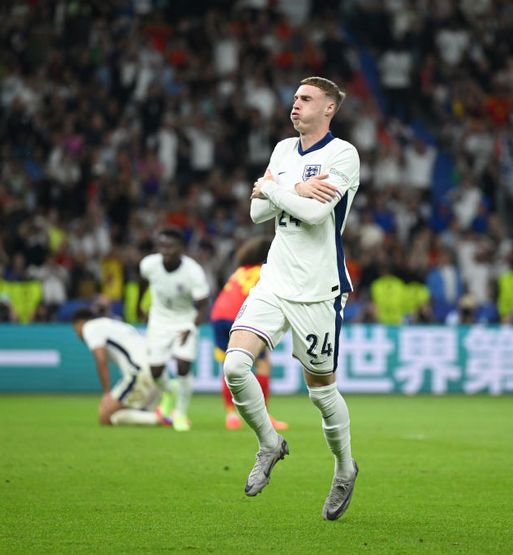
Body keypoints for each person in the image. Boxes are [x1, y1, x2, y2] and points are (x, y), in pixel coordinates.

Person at [221, 76, 359, 521]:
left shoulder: (343, 155)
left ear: (329, 108)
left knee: (321, 393)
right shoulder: (283, 150)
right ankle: (268, 442)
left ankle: (344, 466)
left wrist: (279, 190)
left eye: (305, 99)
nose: (294, 105)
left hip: (319, 290)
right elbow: (256, 211)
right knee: (235, 365)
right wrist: (291, 192)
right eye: (295, 98)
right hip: (275, 279)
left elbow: (317, 214)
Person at [209, 236, 287, 431]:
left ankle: (231, 416)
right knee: (263, 364)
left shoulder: (239, 271)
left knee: (228, 365)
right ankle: (264, 416)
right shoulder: (266, 271)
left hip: (218, 315)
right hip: (240, 316)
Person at [138, 228, 210, 432]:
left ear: (181, 248)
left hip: (185, 321)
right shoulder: (149, 264)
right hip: (159, 321)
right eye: (162, 246)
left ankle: (181, 413)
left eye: (171, 246)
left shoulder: (192, 271)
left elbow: (203, 304)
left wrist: (192, 326)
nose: (166, 250)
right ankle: (168, 392)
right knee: (156, 371)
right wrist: (140, 306)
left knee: (182, 366)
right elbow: (143, 281)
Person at [71, 308, 165, 426]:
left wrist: (106, 393)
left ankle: (160, 418)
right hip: (156, 371)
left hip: (138, 373)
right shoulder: (114, 325)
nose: (77, 334)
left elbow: (101, 360)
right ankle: (154, 415)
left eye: (75, 329)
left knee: (105, 417)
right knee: (123, 414)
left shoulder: (90, 327)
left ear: (79, 323)